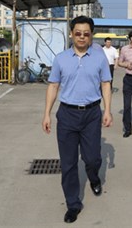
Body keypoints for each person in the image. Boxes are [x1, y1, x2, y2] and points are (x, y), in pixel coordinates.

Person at [42, 16, 113, 224]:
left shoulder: (99, 58)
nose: (82, 37)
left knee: (92, 158)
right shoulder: (61, 58)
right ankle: (73, 203)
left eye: (86, 34)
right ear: (71, 34)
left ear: (91, 35)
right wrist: (46, 113)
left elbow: (106, 85)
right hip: (67, 115)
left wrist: (107, 110)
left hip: (91, 114)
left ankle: (94, 177)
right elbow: (53, 86)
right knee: (69, 162)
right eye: (78, 33)